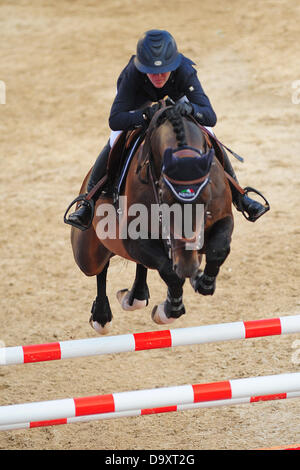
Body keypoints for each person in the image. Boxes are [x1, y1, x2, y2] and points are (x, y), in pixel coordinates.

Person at [68, 29, 267, 229]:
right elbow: (115, 120)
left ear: (174, 64)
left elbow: (210, 116)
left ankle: (240, 197)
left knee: (208, 132)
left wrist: (190, 108)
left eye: (164, 70)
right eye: (151, 71)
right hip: (141, 105)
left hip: (178, 102)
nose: (158, 76)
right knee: (115, 139)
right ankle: (89, 201)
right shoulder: (132, 75)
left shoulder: (184, 70)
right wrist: (144, 115)